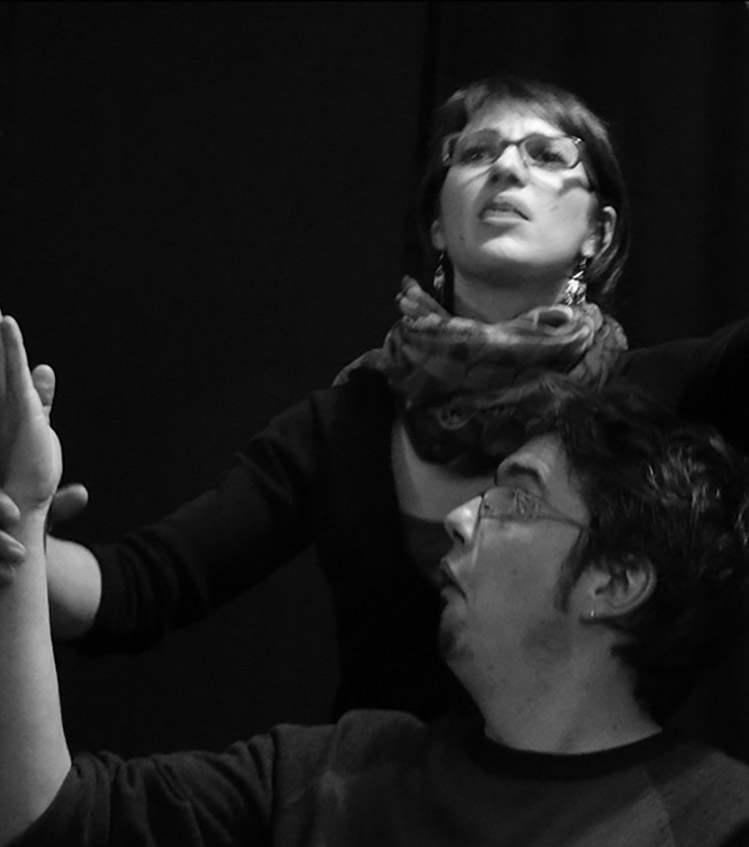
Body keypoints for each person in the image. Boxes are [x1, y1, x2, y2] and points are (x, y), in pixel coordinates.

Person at [4, 74, 749, 730]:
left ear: (597, 232)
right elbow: (139, 587)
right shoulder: (347, 421)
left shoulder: (660, 398)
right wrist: (18, 533)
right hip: (375, 805)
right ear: (437, 224)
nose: (506, 168)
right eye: (476, 152)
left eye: (548, 155)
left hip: (601, 809)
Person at [2, 328, 749, 846]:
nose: (458, 518)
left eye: (516, 499)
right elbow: (49, 819)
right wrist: (20, 525)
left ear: (615, 581)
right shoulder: (333, 773)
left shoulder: (717, 819)